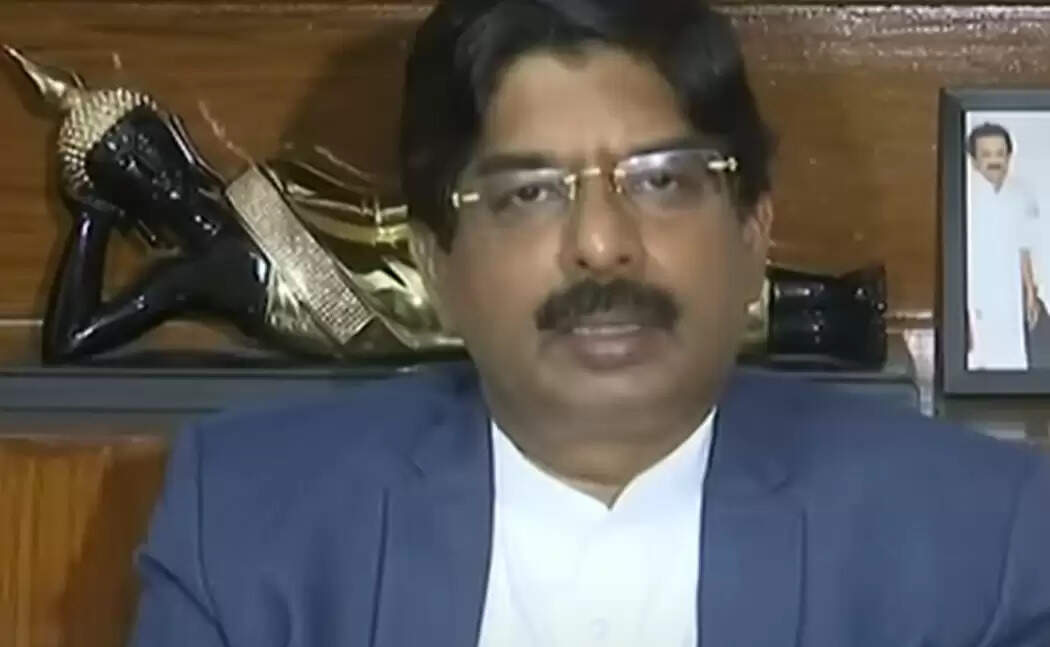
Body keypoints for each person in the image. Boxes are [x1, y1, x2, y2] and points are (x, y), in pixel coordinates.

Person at [129, 1, 1050, 645]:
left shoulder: (979, 539)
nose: (602, 245)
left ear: (754, 233)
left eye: (662, 180)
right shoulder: (252, 522)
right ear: (437, 264)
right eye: (529, 192)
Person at [965, 122, 1048, 370]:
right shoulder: (966, 198)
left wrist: (1030, 292)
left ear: (1009, 157)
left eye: (1000, 154)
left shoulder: (1021, 194)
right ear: (974, 161)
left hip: (1012, 291)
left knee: (1016, 356)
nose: (994, 161)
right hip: (978, 293)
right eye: (986, 155)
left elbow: (1024, 246)